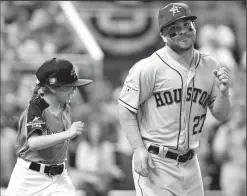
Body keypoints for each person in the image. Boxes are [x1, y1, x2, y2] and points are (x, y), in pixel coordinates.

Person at [118, 3, 231, 196]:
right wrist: (138, 149)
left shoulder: (209, 64)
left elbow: (221, 114)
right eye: (174, 29)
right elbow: (126, 110)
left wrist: (223, 92)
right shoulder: (148, 68)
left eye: (187, 25)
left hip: (191, 163)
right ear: (163, 35)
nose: (183, 32)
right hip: (156, 162)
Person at [5, 57, 92, 196]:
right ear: (53, 87)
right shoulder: (36, 108)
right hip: (30, 178)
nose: (74, 90)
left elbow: (61, 149)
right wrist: (68, 133)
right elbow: (34, 143)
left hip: (59, 177)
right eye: (69, 86)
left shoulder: (66, 107)